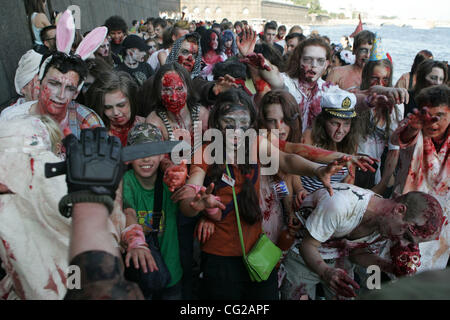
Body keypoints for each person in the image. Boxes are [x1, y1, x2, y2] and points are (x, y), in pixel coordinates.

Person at [172, 88, 353, 300]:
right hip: (220, 260)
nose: (236, 132)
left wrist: (317, 170)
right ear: (216, 122)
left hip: (258, 254)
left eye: (243, 125)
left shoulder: (255, 143)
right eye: (229, 124)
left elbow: (286, 160)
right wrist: (197, 204)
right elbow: (188, 195)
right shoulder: (205, 153)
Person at [280, 183, 444, 300]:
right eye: (407, 236)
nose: (403, 244)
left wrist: (391, 268)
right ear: (399, 210)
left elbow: (356, 252)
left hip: (338, 259)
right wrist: (326, 272)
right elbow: (306, 245)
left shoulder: (387, 225)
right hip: (300, 257)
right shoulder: (341, 205)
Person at [1, 10, 105, 138]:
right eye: (54, 83)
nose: (60, 95)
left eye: (69, 88)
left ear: (76, 93)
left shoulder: (88, 122)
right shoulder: (11, 117)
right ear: (39, 81)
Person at [120, 123, 183, 299]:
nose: (146, 159)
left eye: (152, 152)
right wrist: (136, 241)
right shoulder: (126, 181)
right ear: (129, 158)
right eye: (139, 152)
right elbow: (128, 212)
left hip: (171, 272)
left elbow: (188, 207)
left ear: (162, 156)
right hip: (138, 278)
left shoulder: (170, 179)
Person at [391, 84, 449, 272]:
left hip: (444, 219)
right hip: (408, 215)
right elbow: (398, 139)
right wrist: (413, 127)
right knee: (396, 269)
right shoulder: (413, 126)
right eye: (427, 116)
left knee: (432, 270)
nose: (432, 123)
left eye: (439, 116)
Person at [301, 87, 359, 191]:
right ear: (323, 121)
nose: (340, 130)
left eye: (346, 124)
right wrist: (300, 191)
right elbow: (293, 172)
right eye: (335, 123)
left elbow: (350, 179)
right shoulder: (309, 136)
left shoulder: (351, 143)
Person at [87, 70, 145, 146]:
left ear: (132, 101)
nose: (116, 113)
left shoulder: (147, 124)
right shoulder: (96, 132)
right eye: (108, 107)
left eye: (121, 105)